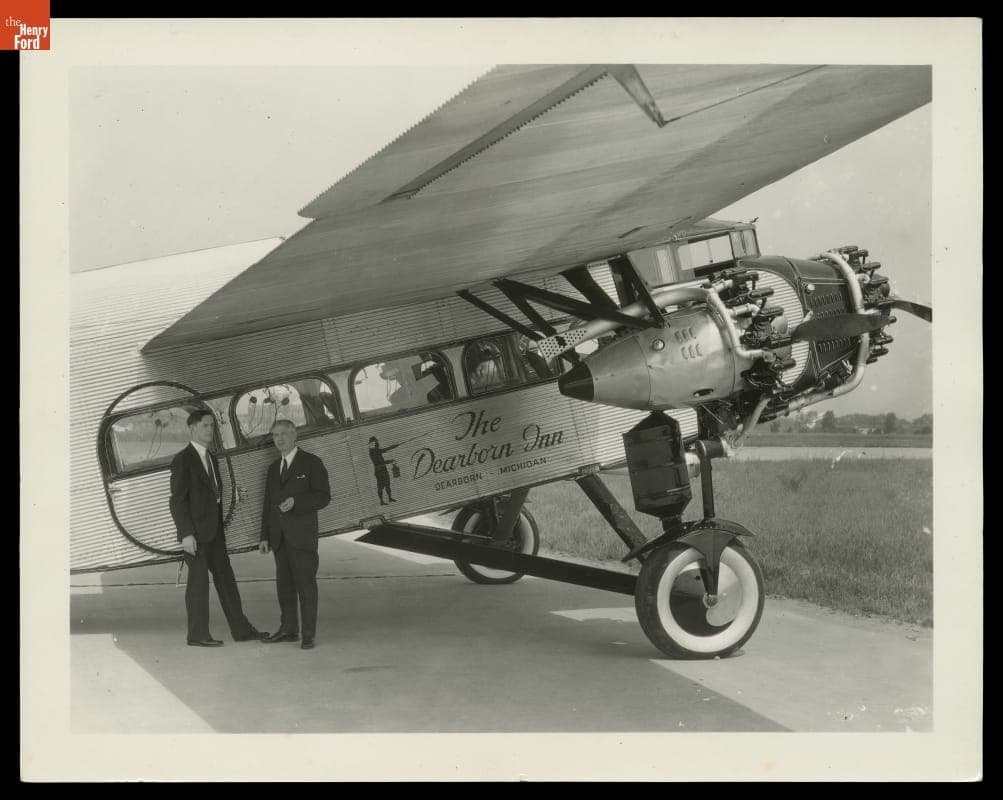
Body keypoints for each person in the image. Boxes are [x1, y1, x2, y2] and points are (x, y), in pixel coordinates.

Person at [169, 410, 268, 647]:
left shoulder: (211, 457)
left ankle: (241, 630)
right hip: (196, 535)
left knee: (226, 580)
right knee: (198, 584)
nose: (210, 430)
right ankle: (197, 635)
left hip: (214, 533)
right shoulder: (183, 459)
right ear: (192, 428)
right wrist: (186, 534)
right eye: (205, 426)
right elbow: (177, 500)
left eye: (212, 426)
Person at [259, 420, 331, 650]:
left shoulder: (311, 463)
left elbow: (323, 497)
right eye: (275, 435)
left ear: (294, 435)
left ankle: (308, 634)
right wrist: (264, 537)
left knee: (306, 587)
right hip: (279, 539)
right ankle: (289, 630)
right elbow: (268, 505)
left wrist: (297, 502)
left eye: (283, 434)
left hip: (302, 538)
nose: (279, 439)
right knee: (285, 587)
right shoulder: (273, 469)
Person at [368, 436, 401, 504]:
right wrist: (390, 461)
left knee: (387, 485)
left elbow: (386, 449)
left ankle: (389, 498)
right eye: (376, 442)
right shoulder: (373, 451)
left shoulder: (375, 450)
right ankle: (381, 501)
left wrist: (395, 446)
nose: (377, 443)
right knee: (380, 487)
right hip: (379, 471)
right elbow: (380, 463)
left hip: (383, 470)